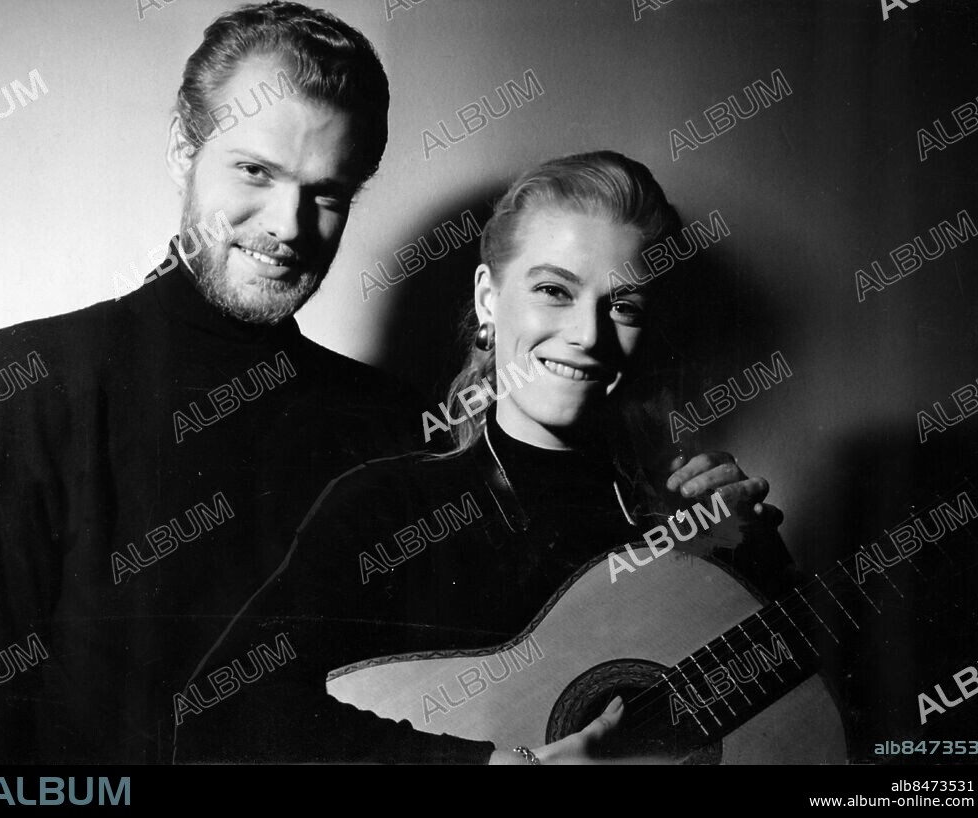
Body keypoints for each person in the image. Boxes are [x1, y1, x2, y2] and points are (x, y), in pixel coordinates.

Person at [174, 150, 798, 764]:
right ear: (488, 300)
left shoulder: (679, 521)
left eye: (624, 306)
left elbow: (803, 726)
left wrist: (752, 564)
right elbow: (218, 716)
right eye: (555, 290)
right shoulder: (389, 511)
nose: (588, 334)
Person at [0, 2, 425, 763]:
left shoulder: (393, 422)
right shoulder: (28, 383)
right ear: (184, 148)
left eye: (327, 193)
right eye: (255, 170)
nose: (287, 225)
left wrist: (658, 519)